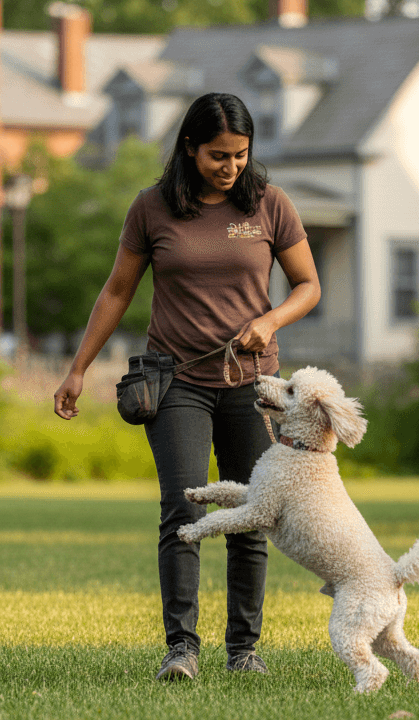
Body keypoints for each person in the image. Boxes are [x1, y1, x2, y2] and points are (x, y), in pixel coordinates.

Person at [53, 92, 320, 681]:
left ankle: (244, 651)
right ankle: (181, 649)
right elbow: (117, 290)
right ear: (190, 147)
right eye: (218, 155)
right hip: (176, 383)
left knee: (250, 512)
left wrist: (271, 320)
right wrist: (78, 368)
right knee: (183, 508)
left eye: (240, 155)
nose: (231, 167)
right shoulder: (152, 208)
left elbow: (308, 285)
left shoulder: (270, 204)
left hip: (252, 383)